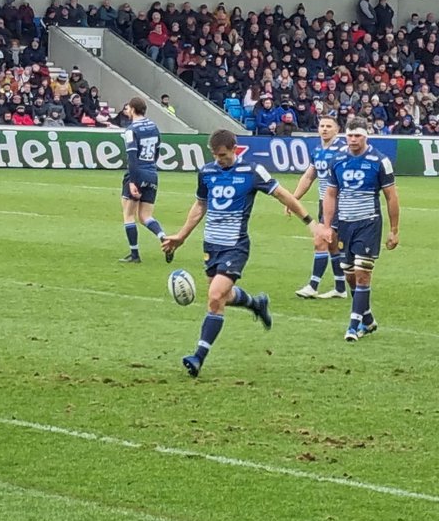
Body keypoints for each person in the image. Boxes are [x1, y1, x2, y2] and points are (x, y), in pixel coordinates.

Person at [163, 129, 327, 377]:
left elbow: (283, 195)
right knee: (224, 296)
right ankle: (256, 304)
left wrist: (311, 223)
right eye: (216, 155)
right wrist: (182, 236)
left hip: (235, 245)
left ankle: (198, 357)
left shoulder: (252, 172)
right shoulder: (207, 172)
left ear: (234, 148)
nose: (220, 159)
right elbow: (200, 205)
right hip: (211, 245)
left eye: (224, 155)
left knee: (215, 296)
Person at [323, 116, 401, 343]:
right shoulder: (337, 160)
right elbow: (330, 194)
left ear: (366, 136)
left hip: (369, 222)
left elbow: (391, 196)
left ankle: (353, 325)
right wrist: (327, 226)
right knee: (349, 275)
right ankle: (367, 319)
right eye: (349, 135)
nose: (353, 139)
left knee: (362, 273)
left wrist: (394, 229)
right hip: (344, 223)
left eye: (358, 135)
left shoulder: (379, 161)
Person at [289, 114, 347, 299]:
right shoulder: (317, 151)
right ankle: (340, 287)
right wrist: (293, 199)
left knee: (320, 240)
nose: (324, 129)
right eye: (322, 125)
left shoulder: (343, 150)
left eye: (329, 126)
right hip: (325, 202)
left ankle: (313, 285)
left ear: (337, 130)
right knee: (332, 245)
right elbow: (309, 176)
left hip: (339, 202)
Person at [118, 97, 167, 264]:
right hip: (152, 173)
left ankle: (135, 254)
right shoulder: (154, 126)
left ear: (132, 109)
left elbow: (132, 157)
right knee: (146, 216)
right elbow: (158, 150)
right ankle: (164, 237)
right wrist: (150, 166)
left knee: (128, 214)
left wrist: (133, 181)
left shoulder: (131, 130)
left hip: (137, 173)